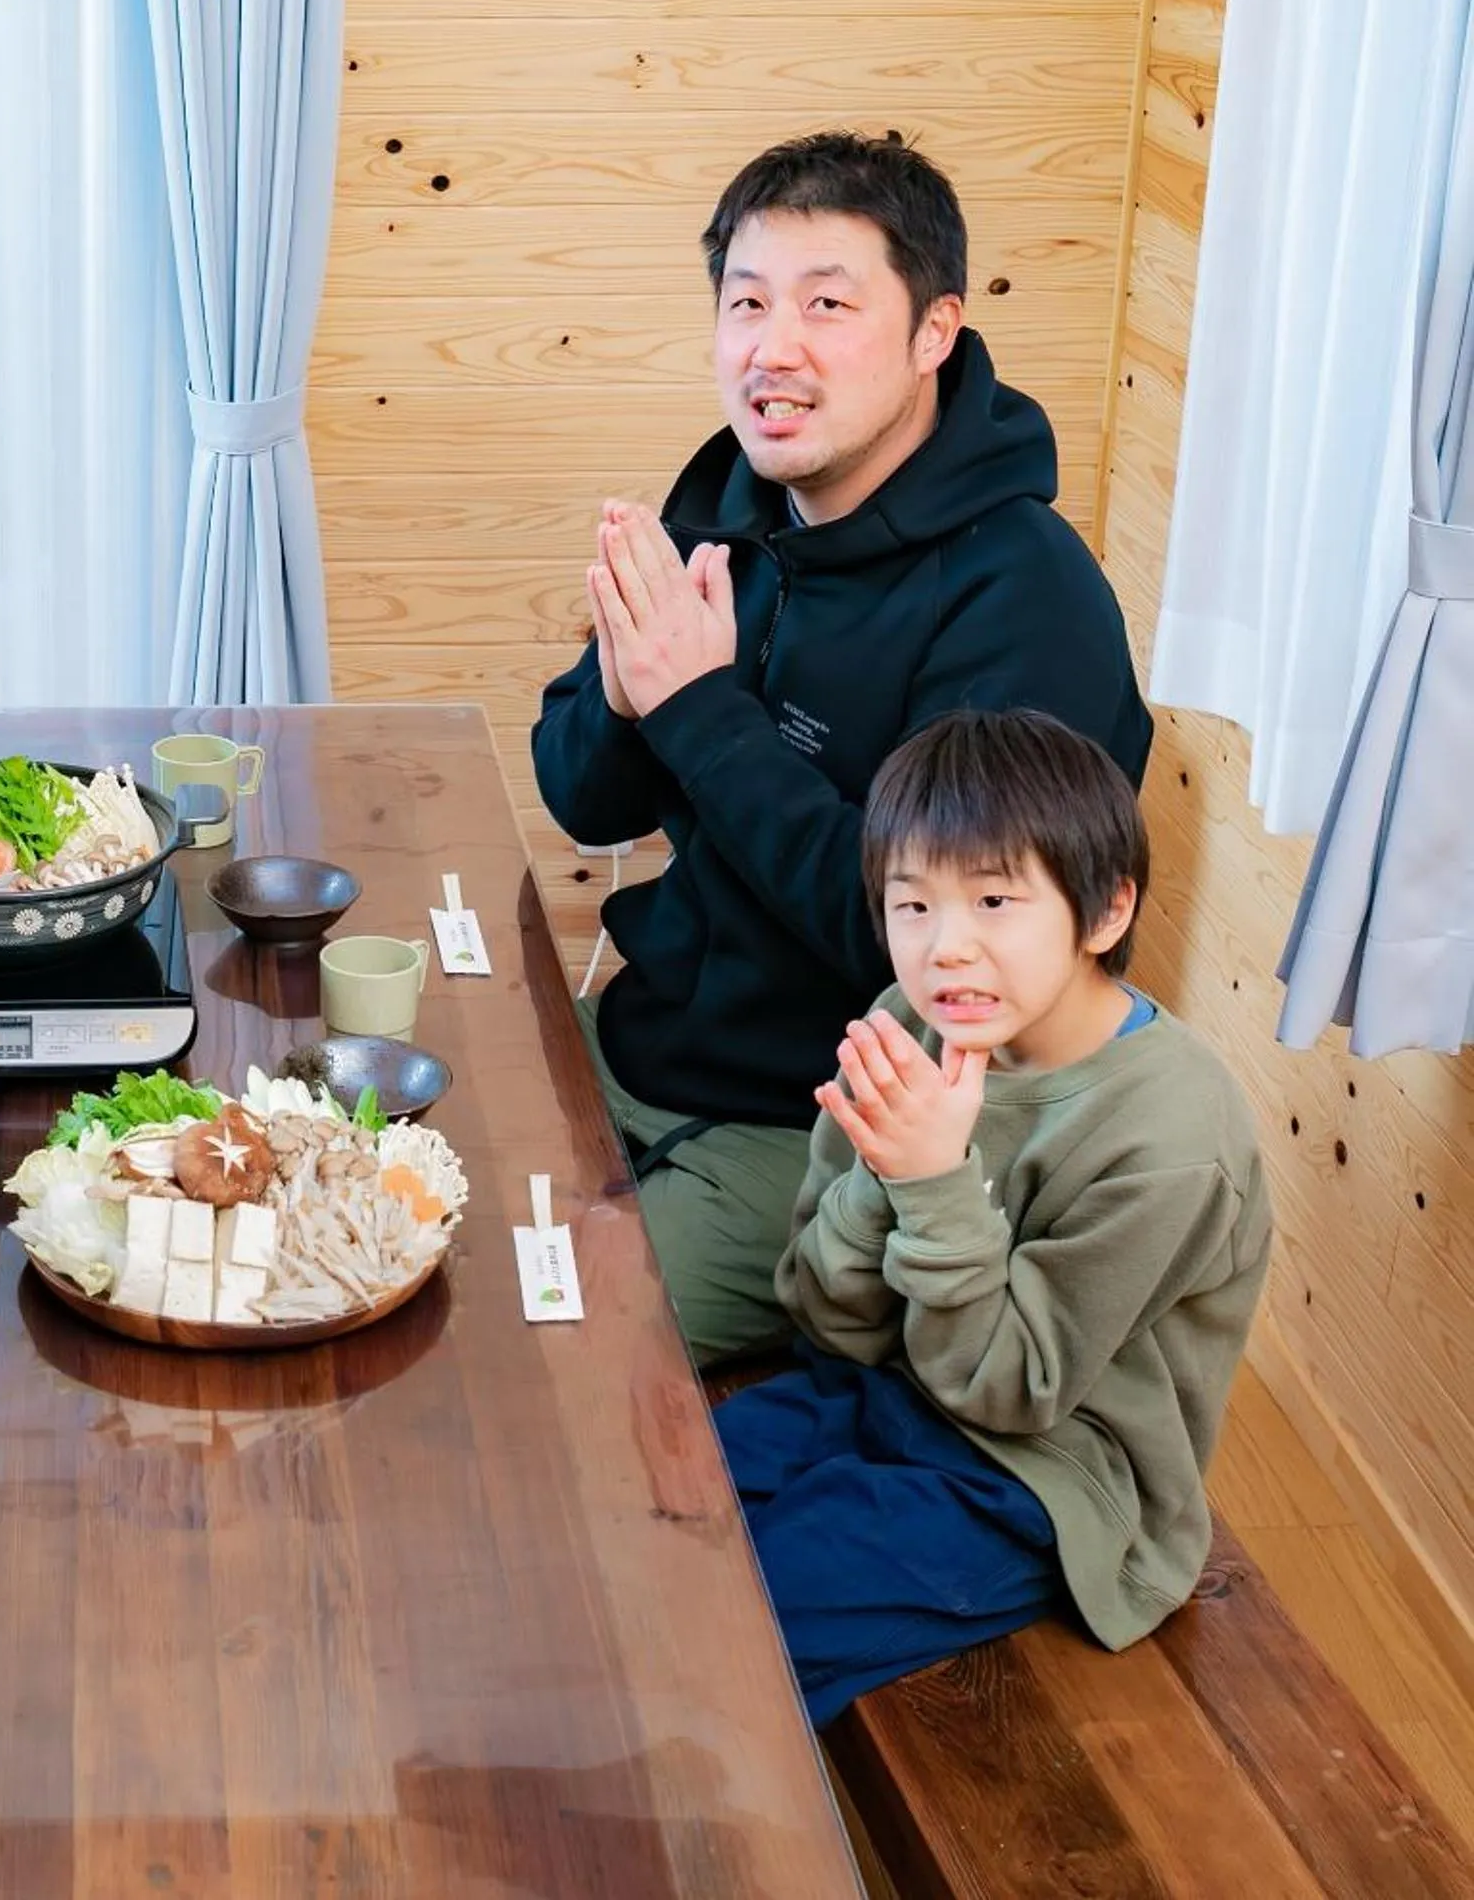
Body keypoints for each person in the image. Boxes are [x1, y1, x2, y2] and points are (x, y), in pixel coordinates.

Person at [531, 130, 1154, 1363]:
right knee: (377, 1188)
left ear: (935, 333)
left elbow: (931, 951)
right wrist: (626, 684)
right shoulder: (730, 504)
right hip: (643, 1045)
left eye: (828, 305)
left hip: (836, 1132)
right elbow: (583, 804)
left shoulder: (1024, 599)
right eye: (746, 304)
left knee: (548, 1350)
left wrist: (701, 709)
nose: (775, 349)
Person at [714, 709, 1267, 1722]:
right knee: (660, 1503)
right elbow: (827, 1319)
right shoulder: (903, 1023)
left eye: (996, 900)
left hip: (1050, 1479)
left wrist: (931, 1179)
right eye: (912, 905)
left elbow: (1012, 1394)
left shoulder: (1172, 1135)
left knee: (734, 1622)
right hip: (884, 1388)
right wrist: (890, 1170)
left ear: (1105, 913)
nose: (945, 950)